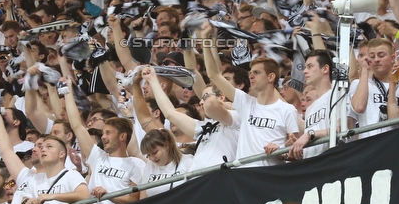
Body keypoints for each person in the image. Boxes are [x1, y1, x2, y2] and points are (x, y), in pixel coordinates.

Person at [203, 26, 301, 166]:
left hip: (269, 177)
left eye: (256, 72)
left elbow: (294, 154)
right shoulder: (245, 102)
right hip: (243, 175)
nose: (251, 76)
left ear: (271, 77)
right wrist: (206, 41)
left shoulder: (287, 110)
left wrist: (281, 152)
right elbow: (214, 74)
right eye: (251, 72)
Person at [63, 78, 145, 204]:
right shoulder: (97, 156)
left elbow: (134, 200)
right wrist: (67, 91)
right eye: (103, 133)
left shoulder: (137, 164)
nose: (103, 136)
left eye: (108, 133)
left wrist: (109, 195)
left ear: (122, 136)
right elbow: (77, 125)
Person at [140, 66, 240, 171]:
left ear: (221, 97)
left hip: (220, 179)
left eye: (205, 97)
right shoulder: (203, 127)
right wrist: (152, 79)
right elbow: (170, 113)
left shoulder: (235, 118)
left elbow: (211, 104)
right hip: (196, 181)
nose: (201, 102)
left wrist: (222, 102)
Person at [6, 136, 89, 204]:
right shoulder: (34, 180)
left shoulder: (71, 174)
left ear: (61, 154)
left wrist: (52, 196)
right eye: (41, 147)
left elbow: (84, 195)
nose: (43, 149)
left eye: (49, 146)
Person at [349, 38, 399, 138]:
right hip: (371, 145)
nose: (376, 60)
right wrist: (364, 70)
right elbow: (359, 107)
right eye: (372, 56)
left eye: (381, 55)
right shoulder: (359, 84)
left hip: (396, 142)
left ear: (393, 58)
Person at [290, 50, 334, 158]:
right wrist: (297, 147)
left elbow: (343, 128)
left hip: (331, 160)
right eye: (305, 67)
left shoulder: (336, 94)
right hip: (311, 164)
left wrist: (310, 134)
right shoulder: (310, 108)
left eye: (310, 67)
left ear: (325, 69)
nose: (305, 71)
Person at [133, 129, 190, 196]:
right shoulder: (150, 165)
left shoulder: (187, 161)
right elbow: (143, 198)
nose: (151, 158)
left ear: (166, 146)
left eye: (154, 153)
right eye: (148, 155)